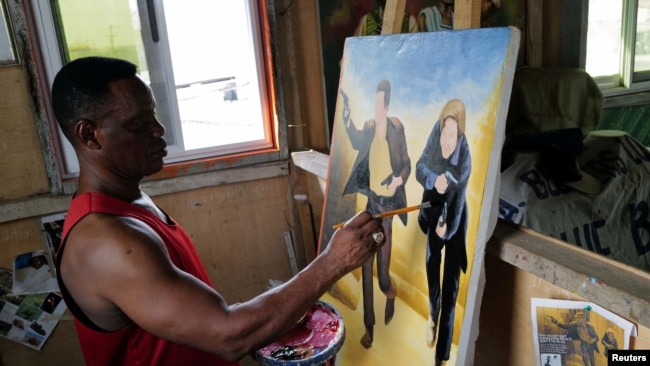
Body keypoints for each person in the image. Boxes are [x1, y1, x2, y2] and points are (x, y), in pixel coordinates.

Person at [51, 56, 386, 366]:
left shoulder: (130, 202)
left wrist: (274, 328)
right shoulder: (105, 242)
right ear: (89, 135)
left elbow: (197, 321)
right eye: (138, 125)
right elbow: (227, 335)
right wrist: (334, 261)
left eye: (153, 114)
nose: (159, 130)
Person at [340, 79, 411, 349]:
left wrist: (398, 180)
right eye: (375, 102)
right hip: (371, 202)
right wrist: (347, 119)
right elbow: (357, 140)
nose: (377, 107)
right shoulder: (369, 126)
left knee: (381, 273)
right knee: (365, 263)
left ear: (388, 103)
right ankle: (369, 327)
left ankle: (390, 292)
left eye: (381, 102)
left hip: (388, 207)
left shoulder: (396, 128)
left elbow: (406, 164)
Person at [415, 99, 471, 366]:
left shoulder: (465, 158)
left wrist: (447, 230)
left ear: (459, 134)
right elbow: (420, 167)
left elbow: (458, 201)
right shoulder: (435, 135)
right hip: (434, 207)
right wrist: (432, 179)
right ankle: (432, 314)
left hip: (456, 217)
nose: (446, 141)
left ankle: (442, 358)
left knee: (451, 287)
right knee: (430, 265)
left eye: (451, 135)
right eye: (443, 133)